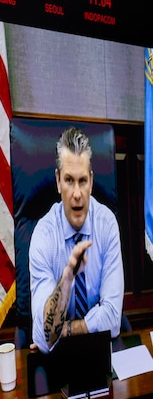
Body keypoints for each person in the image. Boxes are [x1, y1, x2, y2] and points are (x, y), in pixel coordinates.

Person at [29, 126, 124, 352]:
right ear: (58, 181)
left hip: (101, 349)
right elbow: (43, 338)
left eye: (82, 181)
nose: (77, 194)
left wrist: (65, 330)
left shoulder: (107, 224)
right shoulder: (43, 235)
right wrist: (67, 279)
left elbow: (112, 318)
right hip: (58, 357)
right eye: (69, 180)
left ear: (91, 181)